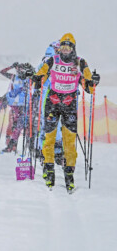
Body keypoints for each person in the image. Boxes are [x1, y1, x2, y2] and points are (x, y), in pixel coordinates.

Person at [32, 33, 99, 193]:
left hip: (69, 104)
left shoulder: (80, 63)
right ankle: (49, 170)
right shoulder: (52, 60)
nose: (65, 50)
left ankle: (69, 173)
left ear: (73, 48)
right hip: (53, 103)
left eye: (68, 47)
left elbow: (89, 87)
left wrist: (94, 81)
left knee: (69, 142)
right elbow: (39, 78)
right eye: (62, 47)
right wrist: (33, 77)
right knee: (49, 138)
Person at [0, 62, 33, 153]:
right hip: (15, 105)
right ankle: (12, 146)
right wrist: (11, 66)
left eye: (21, 69)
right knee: (14, 125)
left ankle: (29, 146)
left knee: (23, 126)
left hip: (25, 105)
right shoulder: (14, 77)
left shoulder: (29, 79)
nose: (19, 71)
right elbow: (2, 72)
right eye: (18, 69)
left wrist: (31, 70)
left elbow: (38, 76)